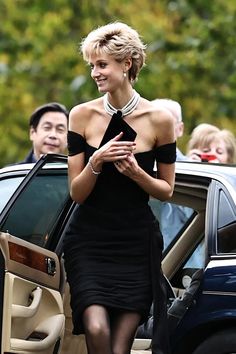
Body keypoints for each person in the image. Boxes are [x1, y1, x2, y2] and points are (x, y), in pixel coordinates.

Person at [63, 22, 176, 354]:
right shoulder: (81, 116)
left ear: (127, 64)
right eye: (92, 66)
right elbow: (76, 193)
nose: (95, 73)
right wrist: (96, 162)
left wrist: (137, 174)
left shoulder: (160, 120)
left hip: (136, 243)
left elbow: (166, 190)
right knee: (96, 328)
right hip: (89, 241)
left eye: (102, 65)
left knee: (119, 349)